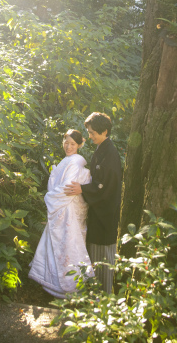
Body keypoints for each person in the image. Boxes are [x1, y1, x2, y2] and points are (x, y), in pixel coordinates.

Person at [29, 129, 94, 298]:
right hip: (64, 210)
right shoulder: (69, 161)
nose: (68, 146)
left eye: (73, 144)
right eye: (66, 142)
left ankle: (68, 287)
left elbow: (67, 188)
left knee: (68, 245)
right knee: (63, 245)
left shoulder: (74, 163)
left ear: (80, 144)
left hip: (67, 211)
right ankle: (57, 286)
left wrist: (49, 196)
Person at [64, 112, 122, 294]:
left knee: (104, 256)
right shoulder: (101, 149)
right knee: (94, 255)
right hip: (98, 213)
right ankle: (96, 295)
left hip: (106, 214)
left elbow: (106, 187)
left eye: (92, 133)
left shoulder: (111, 154)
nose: (89, 136)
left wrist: (83, 189)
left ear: (105, 131)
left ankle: (105, 297)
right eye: (89, 132)